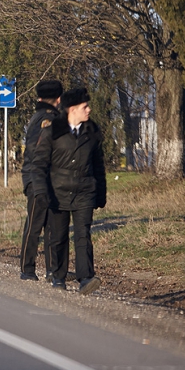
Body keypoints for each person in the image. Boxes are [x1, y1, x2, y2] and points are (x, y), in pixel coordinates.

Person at [32, 87, 107, 295]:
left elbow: (99, 166)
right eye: (85, 106)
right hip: (58, 193)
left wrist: (100, 194)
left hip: (85, 192)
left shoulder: (92, 132)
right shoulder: (52, 132)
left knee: (83, 234)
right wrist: (41, 191)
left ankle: (86, 278)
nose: (89, 110)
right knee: (59, 236)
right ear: (72, 109)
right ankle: (58, 275)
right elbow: (38, 165)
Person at [19, 80, 62, 281]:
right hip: (38, 179)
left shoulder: (39, 117)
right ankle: (27, 269)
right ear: (59, 99)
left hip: (44, 179)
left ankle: (52, 270)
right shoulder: (47, 119)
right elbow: (40, 151)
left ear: (39, 98)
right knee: (35, 225)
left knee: (51, 226)